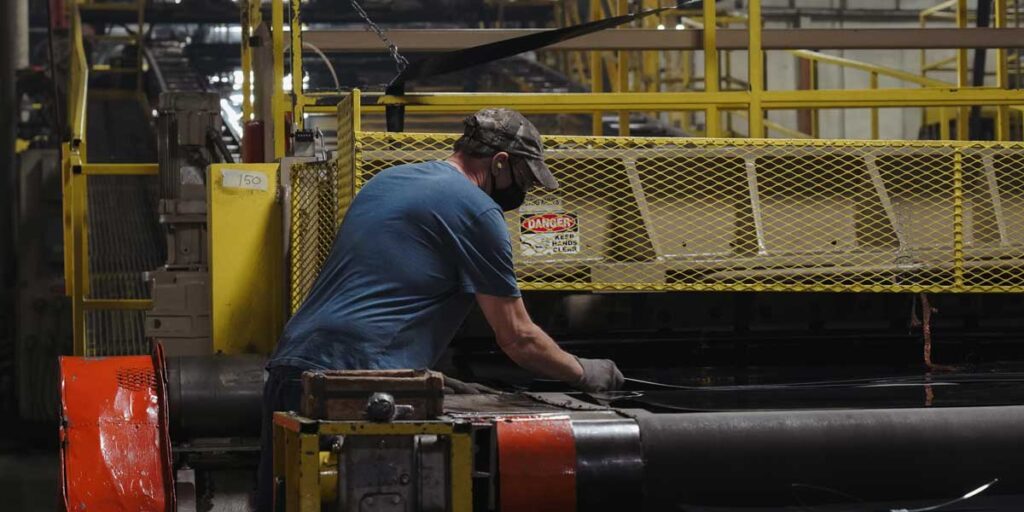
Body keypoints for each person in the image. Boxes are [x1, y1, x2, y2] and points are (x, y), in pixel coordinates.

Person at [255, 108, 623, 511]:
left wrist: (428, 377)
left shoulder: (388, 181)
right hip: (357, 383)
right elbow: (518, 337)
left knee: (284, 501)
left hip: (293, 364)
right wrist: (585, 372)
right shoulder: (478, 211)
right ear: (500, 162)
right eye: (523, 178)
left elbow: (383, 290)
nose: (525, 192)